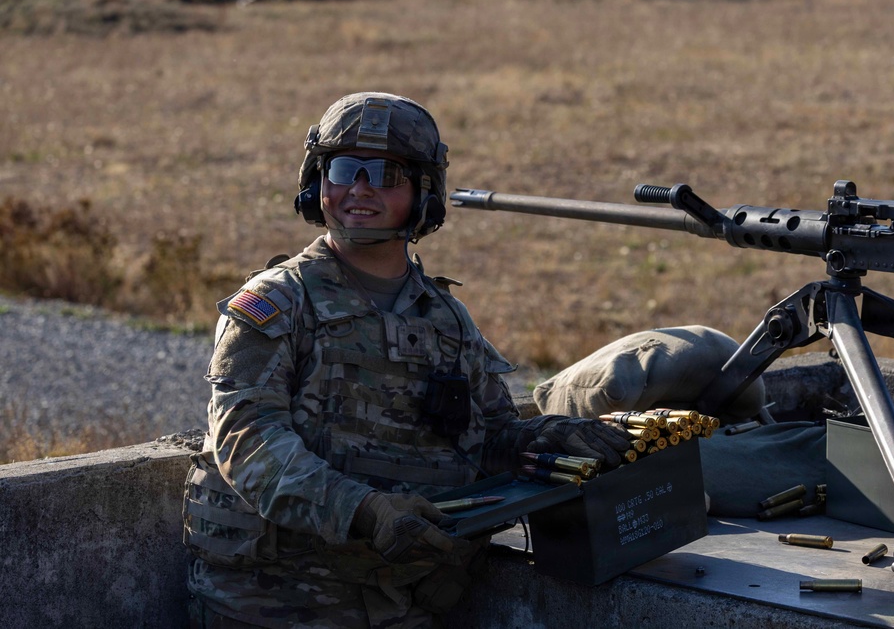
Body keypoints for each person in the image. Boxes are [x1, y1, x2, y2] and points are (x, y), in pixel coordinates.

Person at [181, 92, 631, 628]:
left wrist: (548, 438)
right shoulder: (278, 302)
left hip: (403, 604)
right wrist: (363, 509)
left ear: (424, 194)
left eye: (386, 175)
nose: (360, 189)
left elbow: (485, 436)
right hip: (276, 604)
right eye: (345, 170)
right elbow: (247, 438)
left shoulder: (446, 317)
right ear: (316, 184)